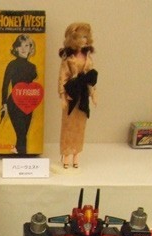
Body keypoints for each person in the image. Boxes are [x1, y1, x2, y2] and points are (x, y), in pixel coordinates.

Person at [58, 22, 97, 169]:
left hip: (83, 95)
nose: (84, 40)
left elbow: (90, 77)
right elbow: (62, 77)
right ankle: (66, 155)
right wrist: (62, 96)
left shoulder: (87, 57)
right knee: (68, 126)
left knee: (80, 126)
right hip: (72, 94)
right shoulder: (68, 58)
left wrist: (93, 93)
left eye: (86, 37)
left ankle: (76, 154)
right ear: (73, 39)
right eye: (80, 37)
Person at [0, 35, 38, 155]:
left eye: (26, 45)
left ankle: (19, 157)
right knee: (21, 134)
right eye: (20, 46)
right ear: (16, 48)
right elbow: (5, 85)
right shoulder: (12, 65)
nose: (23, 49)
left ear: (30, 48)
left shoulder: (32, 67)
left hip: (28, 104)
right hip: (14, 103)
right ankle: (22, 158)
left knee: (23, 135)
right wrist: (4, 104)